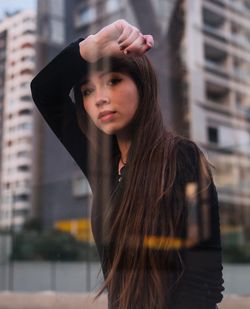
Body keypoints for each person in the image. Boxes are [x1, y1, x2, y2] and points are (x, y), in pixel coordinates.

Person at [31, 19, 224, 309]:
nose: (101, 99)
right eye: (87, 91)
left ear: (141, 85)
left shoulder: (181, 156)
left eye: (113, 81)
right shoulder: (101, 164)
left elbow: (204, 280)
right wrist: (90, 47)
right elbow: (44, 91)